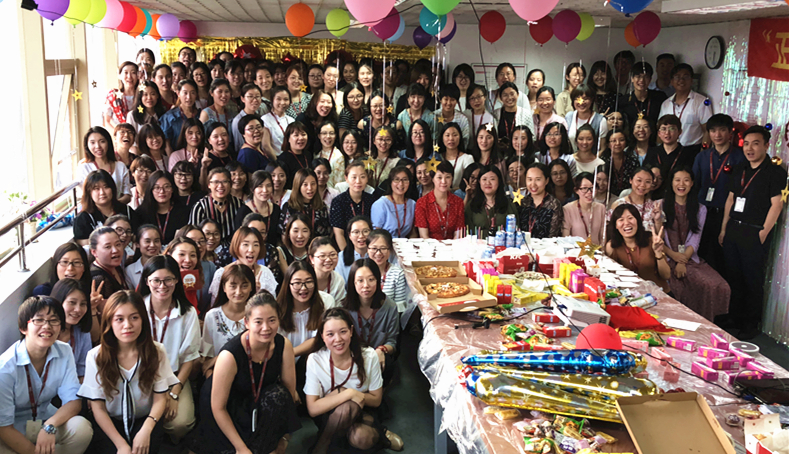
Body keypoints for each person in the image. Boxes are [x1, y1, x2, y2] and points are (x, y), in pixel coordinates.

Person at [193, 292, 300, 454]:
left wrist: (283, 438)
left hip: (258, 400)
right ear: (246, 322)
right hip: (228, 407)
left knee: (279, 394)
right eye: (258, 321)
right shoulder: (230, 355)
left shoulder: (284, 345)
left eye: (272, 320)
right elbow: (218, 407)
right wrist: (241, 448)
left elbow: (288, 394)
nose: (266, 328)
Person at [78, 291, 179, 453]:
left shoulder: (157, 351)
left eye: (134, 317)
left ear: (143, 320)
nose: (127, 325)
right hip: (110, 423)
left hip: (146, 420)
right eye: (119, 319)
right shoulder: (95, 356)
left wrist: (146, 429)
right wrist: (121, 445)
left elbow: (160, 398)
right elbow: (98, 408)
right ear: (109, 322)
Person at [0, 296, 92, 454]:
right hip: (12, 430)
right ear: (23, 328)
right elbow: (4, 427)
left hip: (46, 422)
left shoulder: (64, 351)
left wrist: (50, 425)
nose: (47, 326)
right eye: (39, 320)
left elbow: (73, 401)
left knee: (81, 428)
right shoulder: (5, 368)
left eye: (53, 320)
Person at [719, 125, 787, 339]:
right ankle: (734, 317)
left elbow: (777, 204)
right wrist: (724, 228)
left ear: (766, 145)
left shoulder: (775, 172)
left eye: (755, 144)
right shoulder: (740, 168)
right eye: (746, 144)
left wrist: (763, 232)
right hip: (734, 228)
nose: (750, 148)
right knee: (733, 276)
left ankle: (750, 323)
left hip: (754, 231)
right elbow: (731, 199)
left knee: (752, 280)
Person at [304, 308, 402, 454]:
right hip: (329, 413)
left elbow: (376, 400)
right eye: (330, 334)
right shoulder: (315, 359)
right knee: (346, 407)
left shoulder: (369, 356)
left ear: (351, 331)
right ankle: (324, 445)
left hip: (363, 410)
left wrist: (350, 395)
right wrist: (348, 393)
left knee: (361, 437)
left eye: (343, 331)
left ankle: (326, 444)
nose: (338, 339)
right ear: (322, 336)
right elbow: (312, 409)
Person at [137, 256, 200, 444]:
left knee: (180, 424)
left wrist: (174, 392)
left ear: (177, 280)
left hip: (173, 377)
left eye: (168, 280)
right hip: (140, 375)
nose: (162, 286)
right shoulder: (137, 309)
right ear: (147, 281)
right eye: (156, 280)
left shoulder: (188, 313)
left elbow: (189, 358)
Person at [661, 167, 730, 321]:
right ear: (671, 182)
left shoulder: (700, 208)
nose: (681, 184)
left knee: (716, 284)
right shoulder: (660, 205)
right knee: (679, 287)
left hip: (689, 258)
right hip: (667, 258)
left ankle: (706, 321)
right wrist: (674, 256)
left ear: (692, 183)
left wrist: (683, 260)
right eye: (677, 180)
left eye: (686, 180)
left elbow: (695, 238)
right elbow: (657, 239)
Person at [692, 114, 745, 275]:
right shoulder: (702, 156)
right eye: (713, 131)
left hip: (727, 214)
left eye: (722, 130)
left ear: (730, 132)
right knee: (700, 254)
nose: (717, 134)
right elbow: (694, 185)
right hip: (702, 212)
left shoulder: (740, 157)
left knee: (723, 258)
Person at [343, 258, 399, 382]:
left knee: (388, 363)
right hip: (351, 354)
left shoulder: (390, 307)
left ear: (378, 280)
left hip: (377, 355)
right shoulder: (343, 308)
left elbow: (392, 342)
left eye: (371, 279)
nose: (366, 285)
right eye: (360, 280)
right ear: (353, 282)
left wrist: (381, 350)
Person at [277, 261, 337, 363]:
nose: (303, 288)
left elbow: (319, 338)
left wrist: (291, 353)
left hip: (316, 361)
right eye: (297, 283)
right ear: (288, 284)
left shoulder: (326, 301)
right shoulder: (277, 309)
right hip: (283, 362)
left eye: (309, 282)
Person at [200, 263, 254, 375]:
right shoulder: (212, 316)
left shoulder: (257, 315)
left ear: (251, 287)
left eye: (244, 286)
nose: (238, 292)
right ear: (224, 287)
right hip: (219, 374)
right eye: (233, 286)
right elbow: (207, 361)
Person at [606, 203, 670, 292]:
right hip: (630, 295)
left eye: (630, 218)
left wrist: (658, 253)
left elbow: (666, 275)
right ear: (616, 225)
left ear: (638, 221)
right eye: (621, 220)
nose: (626, 223)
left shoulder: (651, 240)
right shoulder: (612, 246)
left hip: (658, 293)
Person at [209, 227, 278, 305]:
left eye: (256, 245)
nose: (251, 250)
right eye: (245, 244)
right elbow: (215, 305)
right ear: (236, 246)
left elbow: (272, 306)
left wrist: (258, 294)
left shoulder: (265, 273)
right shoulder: (222, 273)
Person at [73, 171, 137, 245]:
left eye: (106, 187)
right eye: (96, 188)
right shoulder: (83, 218)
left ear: (112, 189)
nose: (102, 192)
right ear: (89, 192)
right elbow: (81, 243)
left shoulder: (127, 211)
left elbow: (138, 234)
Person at [658, 64, 712, 147]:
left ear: (691, 80)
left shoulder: (701, 101)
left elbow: (707, 130)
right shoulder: (666, 104)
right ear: (671, 81)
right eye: (677, 77)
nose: (681, 80)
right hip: (669, 149)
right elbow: (660, 129)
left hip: (692, 149)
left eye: (686, 77)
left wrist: (703, 151)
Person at [645, 114, 700, 194]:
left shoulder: (688, 153)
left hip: (679, 194)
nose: (667, 133)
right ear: (659, 133)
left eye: (672, 129)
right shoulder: (652, 152)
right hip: (654, 194)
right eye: (663, 129)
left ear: (679, 132)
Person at [51, 279, 92, 381]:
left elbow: (83, 372)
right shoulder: (43, 332)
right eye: (72, 302)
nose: (78, 309)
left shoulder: (82, 333)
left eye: (83, 304)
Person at [77, 127, 132, 204]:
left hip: (117, 209)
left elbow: (127, 195)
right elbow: (85, 197)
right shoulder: (84, 167)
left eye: (102, 141)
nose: (97, 146)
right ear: (87, 145)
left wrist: (112, 207)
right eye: (92, 142)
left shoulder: (120, 166)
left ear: (108, 143)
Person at [190, 167, 245, 243]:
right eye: (216, 182)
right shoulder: (200, 207)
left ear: (230, 184)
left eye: (225, 181)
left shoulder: (239, 204)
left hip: (233, 247)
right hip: (208, 246)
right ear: (209, 185)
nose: (220, 186)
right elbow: (194, 236)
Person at [330, 162, 377, 250]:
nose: (358, 181)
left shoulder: (372, 200)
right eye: (354, 177)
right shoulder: (338, 201)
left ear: (367, 178)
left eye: (362, 177)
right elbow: (339, 233)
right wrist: (347, 254)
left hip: (369, 247)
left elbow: (375, 229)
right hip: (346, 246)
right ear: (346, 178)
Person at [136, 171, 189, 245]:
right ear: (151, 190)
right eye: (157, 187)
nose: (162, 191)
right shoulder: (140, 213)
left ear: (173, 189)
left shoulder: (184, 212)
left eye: (166, 187)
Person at [415, 161, 465, 240]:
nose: (443, 181)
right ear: (432, 179)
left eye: (448, 177)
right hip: (429, 246)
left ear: (452, 178)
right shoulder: (422, 203)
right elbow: (424, 236)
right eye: (439, 177)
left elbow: (458, 233)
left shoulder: (458, 202)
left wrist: (452, 246)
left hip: (453, 246)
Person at [465, 166, 518, 238]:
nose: (488, 183)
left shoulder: (509, 205)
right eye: (484, 179)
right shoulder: (471, 205)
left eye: (492, 179)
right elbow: (467, 232)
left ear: (499, 181)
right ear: (479, 182)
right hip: (478, 244)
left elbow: (516, 229)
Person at [233, 170, 282, 246]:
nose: (265, 190)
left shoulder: (276, 209)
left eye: (268, 185)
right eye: (260, 186)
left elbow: (279, 237)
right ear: (252, 188)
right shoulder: (243, 211)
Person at [177, 224, 218, 314]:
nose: (198, 246)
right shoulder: (168, 270)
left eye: (202, 241)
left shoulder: (210, 267)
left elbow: (213, 299)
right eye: (192, 241)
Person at [609, 166, 664, 232]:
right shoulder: (618, 204)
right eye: (639, 180)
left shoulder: (654, 207)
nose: (642, 185)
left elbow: (660, 235)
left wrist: (658, 221)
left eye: (647, 182)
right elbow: (611, 230)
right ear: (631, 180)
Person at [280, 168, 332, 237]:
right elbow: (284, 234)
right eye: (305, 184)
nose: (310, 188)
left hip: (318, 243)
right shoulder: (289, 207)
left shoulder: (321, 206)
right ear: (298, 186)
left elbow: (327, 232)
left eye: (313, 184)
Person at [163, 237, 207, 316]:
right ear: (169, 255)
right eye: (182, 254)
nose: (188, 260)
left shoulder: (191, 281)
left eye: (192, 255)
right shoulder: (157, 279)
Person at [519, 163, 564, 238]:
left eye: (538, 179)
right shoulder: (522, 202)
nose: (533, 184)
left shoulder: (554, 204)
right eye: (530, 179)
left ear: (546, 181)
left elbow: (554, 234)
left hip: (546, 244)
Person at [371, 166, 416, 238]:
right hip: (384, 243)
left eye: (405, 180)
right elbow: (376, 234)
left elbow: (413, 232)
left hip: (405, 243)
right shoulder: (381, 204)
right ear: (390, 182)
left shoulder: (412, 204)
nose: (401, 184)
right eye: (396, 180)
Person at [563, 172, 606, 244]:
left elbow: (603, 236)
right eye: (584, 188)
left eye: (592, 188)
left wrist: (602, 250)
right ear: (576, 190)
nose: (589, 192)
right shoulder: (567, 209)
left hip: (596, 250)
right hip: (575, 250)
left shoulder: (601, 208)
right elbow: (565, 237)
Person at [621, 62, 668, 128]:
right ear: (632, 78)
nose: (642, 80)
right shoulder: (624, 101)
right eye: (638, 76)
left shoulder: (660, 97)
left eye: (645, 77)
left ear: (650, 79)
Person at [160, 80, 202, 151]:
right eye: (185, 93)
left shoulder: (201, 115)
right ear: (178, 93)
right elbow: (167, 145)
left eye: (192, 93)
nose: (189, 97)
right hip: (176, 155)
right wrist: (173, 157)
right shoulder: (169, 117)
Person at [565, 84, 609, 153]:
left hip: (593, 158)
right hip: (572, 158)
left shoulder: (600, 120)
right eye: (577, 99)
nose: (581, 102)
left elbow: (602, 148)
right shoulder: (569, 116)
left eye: (585, 99)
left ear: (592, 100)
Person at [493, 82, 537, 146]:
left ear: (518, 95)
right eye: (505, 95)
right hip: (500, 150)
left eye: (512, 94)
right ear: (500, 98)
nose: (509, 97)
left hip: (520, 150)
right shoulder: (495, 114)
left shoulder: (526, 114)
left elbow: (532, 137)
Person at [600, 129, 639, 198]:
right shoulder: (602, 161)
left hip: (628, 196)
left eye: (621, 140)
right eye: (614, 141)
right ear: (608, 144)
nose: (618, 143)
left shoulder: (632, 160)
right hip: (607, 197)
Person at [310, 237, 347, 304]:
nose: (328, 259)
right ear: (312, 259)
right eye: (322, 256)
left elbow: (339, 307)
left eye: (332, 255)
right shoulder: (304, 278)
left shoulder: (338, 280)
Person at [124, 225, 162, 291]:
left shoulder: (168, 265)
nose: (152, 245)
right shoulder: (130, 270)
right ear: (137, 244)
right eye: (147, 241)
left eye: (156, 241)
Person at [278, 122, 314, 190]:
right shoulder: (283, 159)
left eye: (303, 134)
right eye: (296, 135)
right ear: (288, 139)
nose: (301, 138)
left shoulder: (308, 154)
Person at [439, 123, 475, 189]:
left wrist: (453, 190)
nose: (451, 138)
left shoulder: (467, 159)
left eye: (455, 135)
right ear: (442, 138)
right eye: (447, 135)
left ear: (460, 137)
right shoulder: (437, 157)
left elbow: (470, 183)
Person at [104, 61, 139, 130]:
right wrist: (118, 134)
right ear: (119, 75)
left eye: (133, 73)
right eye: (126, 73)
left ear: (138, 76)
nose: (129, 76)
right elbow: (107, 122)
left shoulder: (143, 95)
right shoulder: (113, 96)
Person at [262, 86, 296, 156]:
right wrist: (277, 161)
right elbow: (266, 146)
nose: (282, 102)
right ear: (272, 100)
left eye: (286, 99)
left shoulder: (291, 120)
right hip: (275, 158)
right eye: (279, 99)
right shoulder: (265, 119)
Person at [200, 123, 235, 188]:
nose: (221, 139)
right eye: (215, 136)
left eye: (224, 135)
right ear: (209, 140)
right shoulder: (206, 158)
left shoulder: (233, 154)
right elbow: (202, 186)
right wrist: (204, 168)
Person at [336, 216, 372, 280]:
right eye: (356, 232)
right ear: (349, 235)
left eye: (365, 231)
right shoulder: (341, 257)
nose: (361, 236)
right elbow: (340, 283)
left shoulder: (377, 254)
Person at [316, 123, 345, 189]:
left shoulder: (338, 157)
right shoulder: (317, 154)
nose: (328, 136)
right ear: (319, 136)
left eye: (331, 133)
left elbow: (339, 184)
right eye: (324, 133)